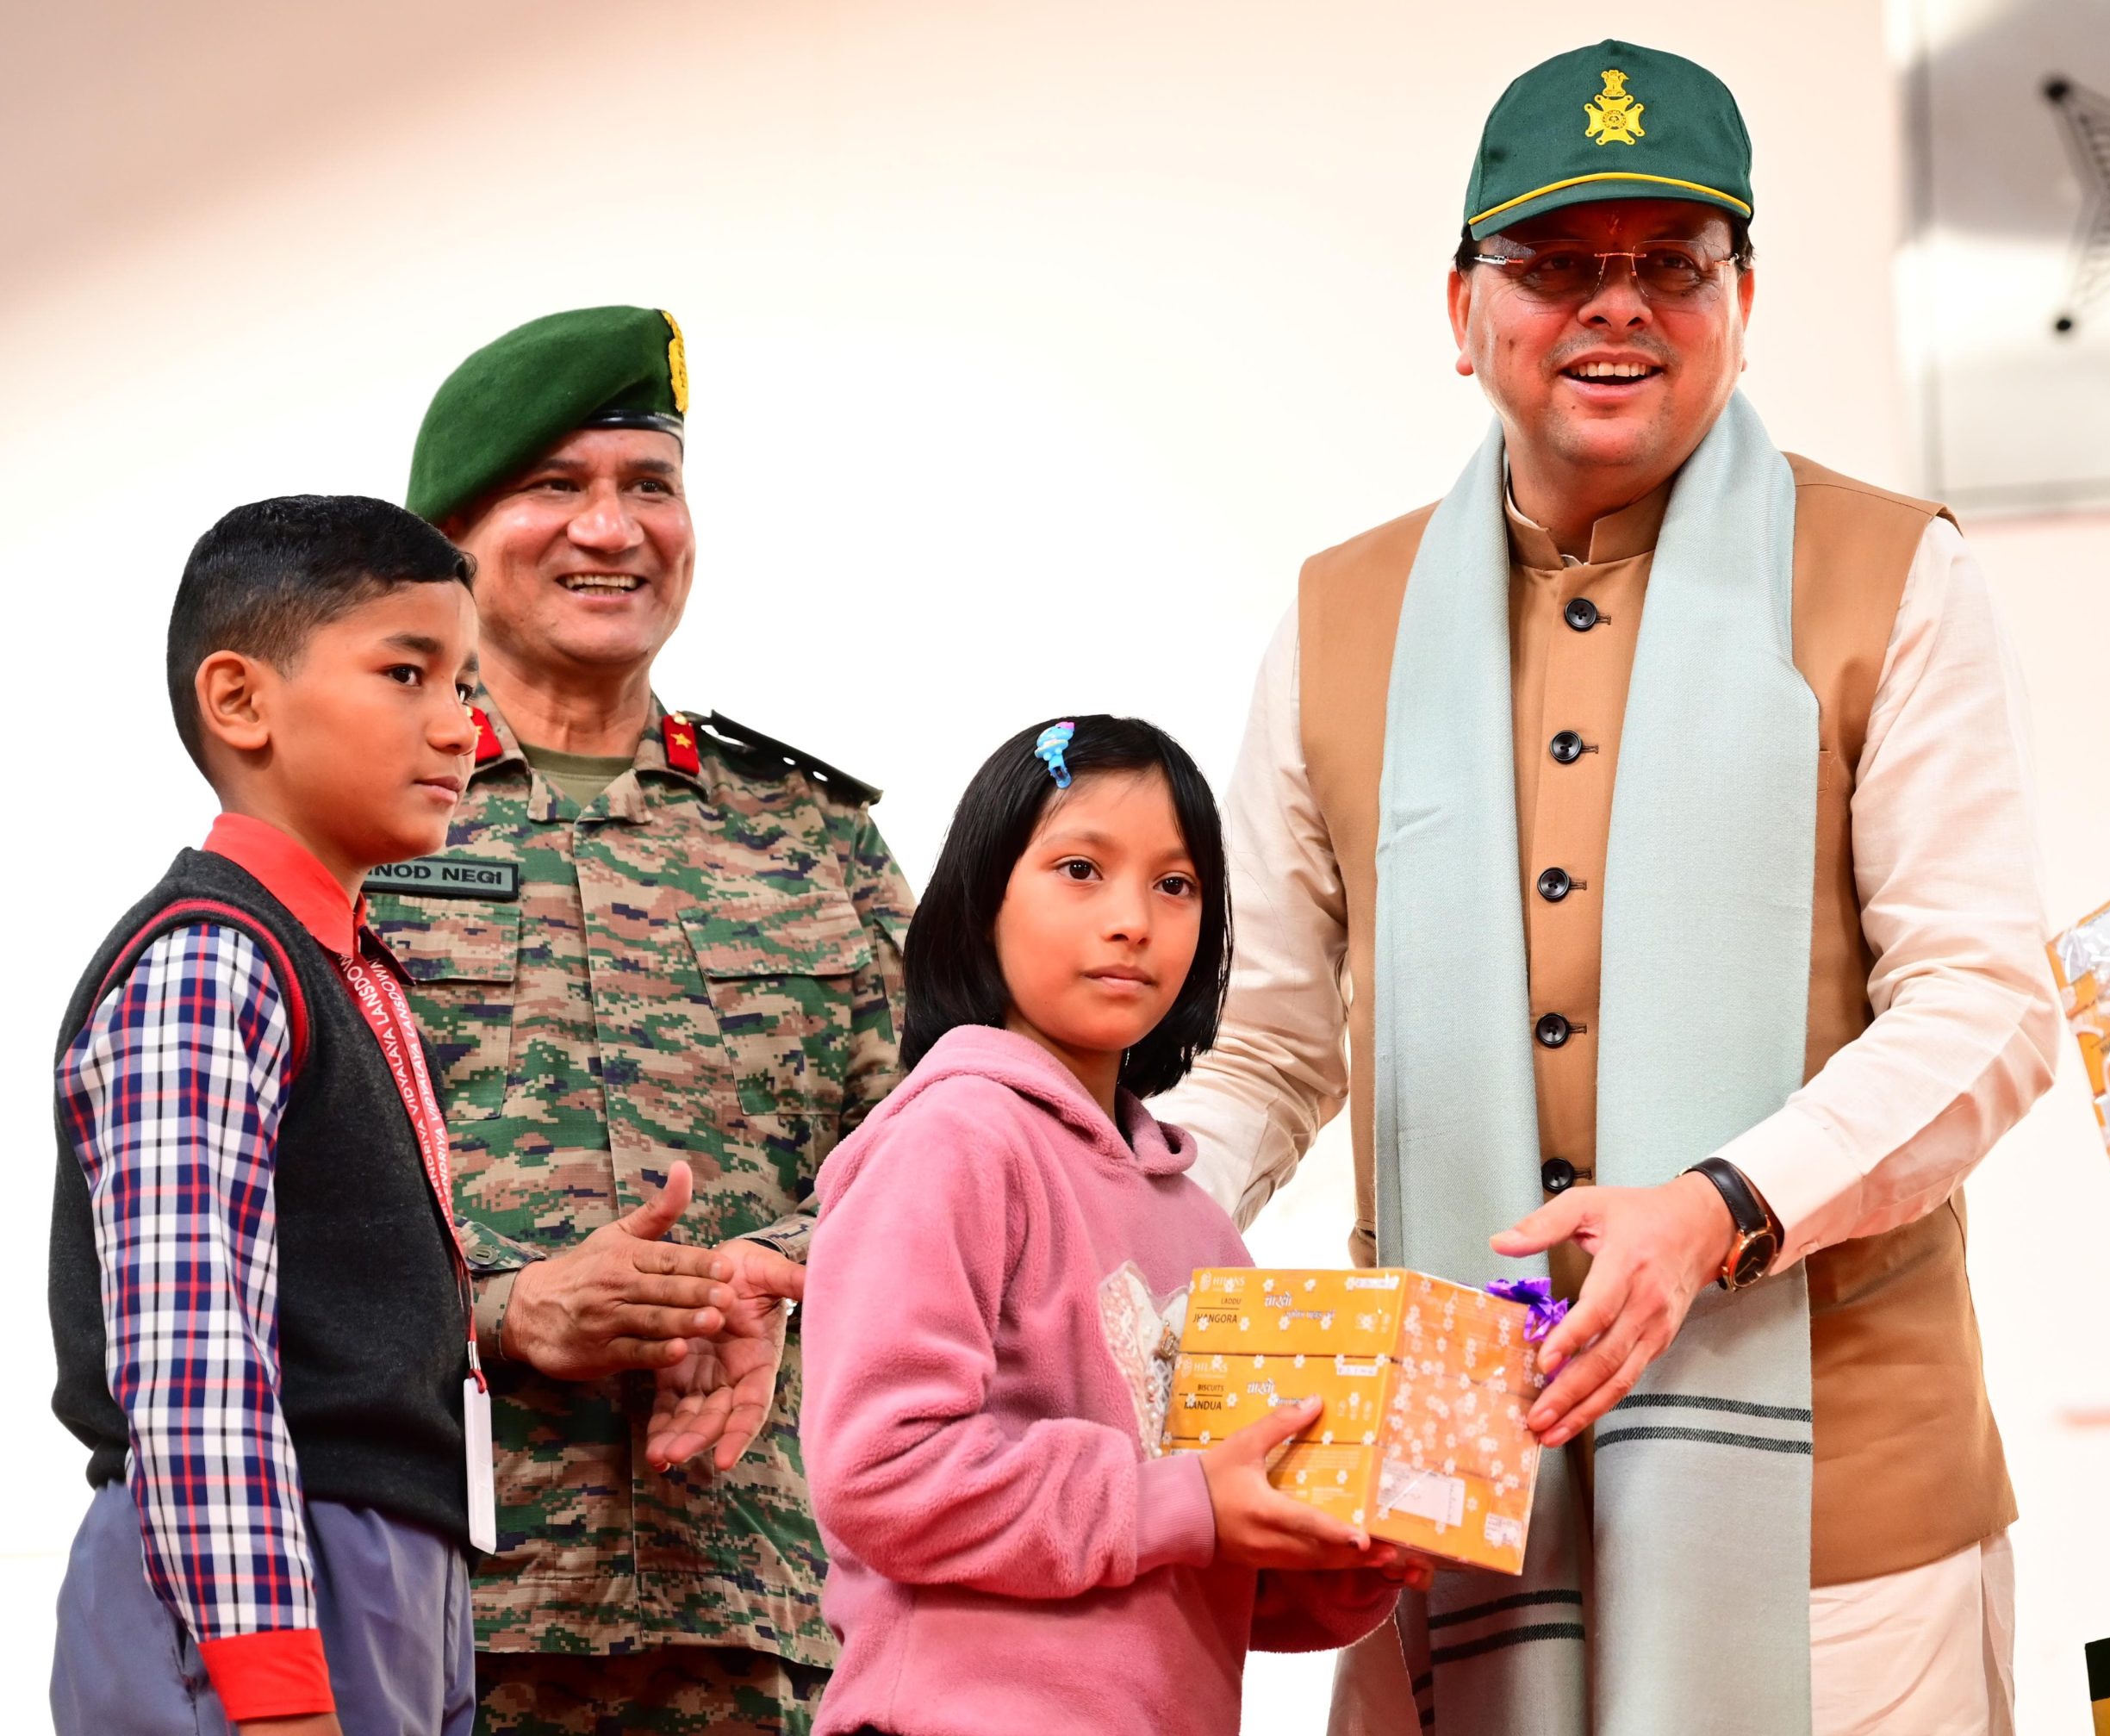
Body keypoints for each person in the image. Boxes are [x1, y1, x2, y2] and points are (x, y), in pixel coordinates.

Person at [1158, 40, 2063, 1736]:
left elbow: (1984, 1003)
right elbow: (1265, 1043)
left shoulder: (1891, 572)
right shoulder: (1342, 618)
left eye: (1672, 263)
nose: (1617, 306)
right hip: (1439, 1487)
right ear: (1462, 308)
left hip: (1844, 1514)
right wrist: (1087, 1233)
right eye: (1555, 263)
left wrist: (1721, 1206)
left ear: (1741, 301)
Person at [374, 305, 913, 1735]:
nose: (611, 528)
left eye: (649, 484)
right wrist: (506, 1311)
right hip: (427, 1612)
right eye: (556, 484)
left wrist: (772, 1269)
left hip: (756, 1610)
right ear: (449, 539)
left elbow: (942, 1166)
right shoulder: (357, 821)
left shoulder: (813, 836)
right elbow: (252, 1215)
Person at [801, 716, 1420, 1736]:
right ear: (983, 898)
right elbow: (883, 1471)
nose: (1132, 919)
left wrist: (1346, 1551)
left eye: (1175, 884)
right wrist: (1181, 1502)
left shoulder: (1202, 1225)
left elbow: (1205, 1555)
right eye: (1080, 868)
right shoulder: (952, 1138)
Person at [49, 495, 489, 1735]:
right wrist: (276, 1689)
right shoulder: (210, 960)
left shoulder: (349, 967)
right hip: (258, 1572)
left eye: (465, 683)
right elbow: (195, 1357)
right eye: (407, 673)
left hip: (389, 1568)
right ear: (240, 699)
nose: (460, 725)